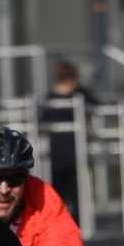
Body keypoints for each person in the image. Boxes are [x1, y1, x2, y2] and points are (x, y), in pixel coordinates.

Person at [42, 61, 97, 218]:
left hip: (64, 157)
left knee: (68, 202)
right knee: (64, 202)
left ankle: (73, 228)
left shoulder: (49, 100)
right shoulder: (79, 96)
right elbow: (95, 103)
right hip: (67, 157)